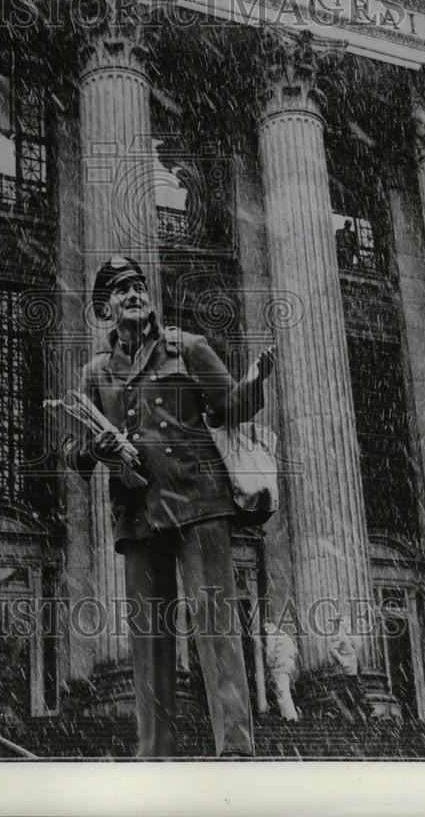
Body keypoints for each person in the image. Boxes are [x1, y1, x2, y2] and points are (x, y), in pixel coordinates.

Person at [63, 255, 276, 758]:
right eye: (121, 290)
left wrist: (256, 382)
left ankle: (237, 751)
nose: (134, 294)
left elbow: (231, 408)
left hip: (199, 504)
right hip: (138, 515)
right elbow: (74, 455)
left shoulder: (187, 348)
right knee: (149, 641)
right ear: (105, 309)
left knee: (217, 626)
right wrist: (99, 448)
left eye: (138, 286)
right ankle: (154, 755)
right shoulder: (95, 374)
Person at [328, 615, 371, 722]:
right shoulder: (338, 635)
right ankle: (334, 711)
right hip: (346, 668)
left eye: (347, 620)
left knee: (355, 689)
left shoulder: (349, 634)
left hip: (354, 667)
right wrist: (342, 661)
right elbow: (333, 650)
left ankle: (365, 711)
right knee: (347, 690)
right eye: (344, 621)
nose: (347, 622)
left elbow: (357, 648)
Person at [264, 621, 300, 722]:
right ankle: (288, 715)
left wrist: (269, 665)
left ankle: (289, 717)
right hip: (288, 665)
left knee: (282, 692)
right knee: (284, 691)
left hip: (280, 667)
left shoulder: (271, 635)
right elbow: (295, 651)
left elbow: (270, 653)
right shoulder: (284, 635)